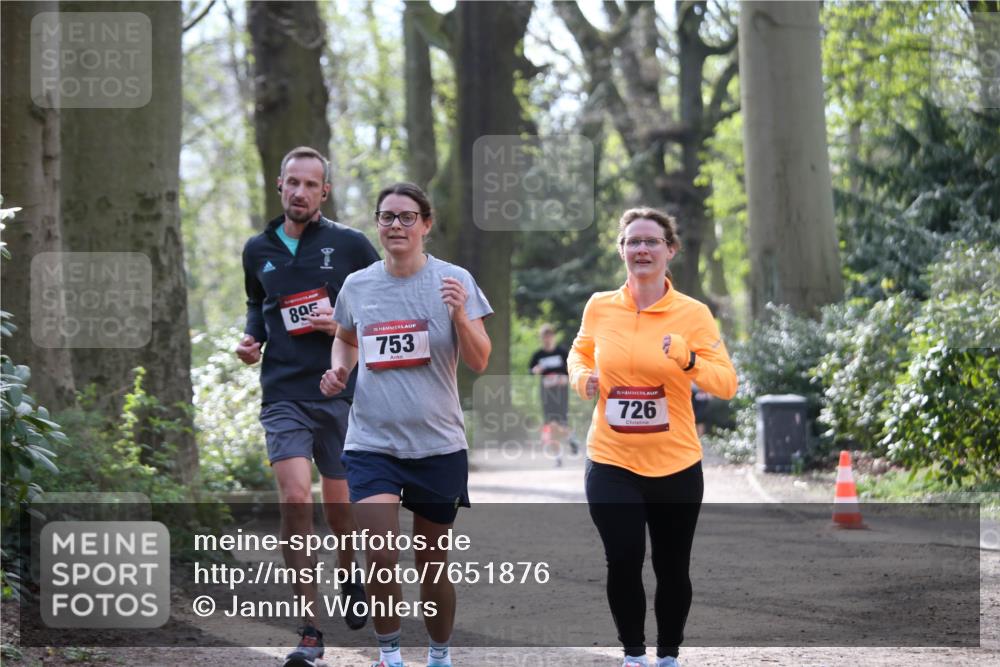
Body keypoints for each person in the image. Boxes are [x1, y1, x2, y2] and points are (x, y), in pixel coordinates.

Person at [320, 182, 492, 667]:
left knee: (432, 563)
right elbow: (346, 338)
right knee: (381, 553)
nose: (396, 225)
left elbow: (479, 359)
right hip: (372, 442)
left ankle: (439, 656)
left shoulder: (455, 280)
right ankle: (390, 654)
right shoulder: (358, 285)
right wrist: (339, 368)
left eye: (407, 217)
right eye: (387, 216)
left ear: (426, 224)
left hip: (438, 445)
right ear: (377, 224)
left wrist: (459, 313)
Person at [567, 207, 737, 667]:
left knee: (671, 566)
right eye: (633, 241)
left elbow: (726, 383)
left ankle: (668, 655)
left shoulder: (693, 313)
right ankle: (634, 655)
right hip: (611, 459)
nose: (642, 249)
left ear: (670, 250)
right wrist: (582, 377)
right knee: (622, 558)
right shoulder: (600, 305)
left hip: (676, 463)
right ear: (622, 250)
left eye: (652, 241)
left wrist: (688, 360)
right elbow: (579, 352)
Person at [236, 146, 380, 667]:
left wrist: (341, 326)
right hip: (283, 392)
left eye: (310, 184)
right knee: (296, 499)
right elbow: (258, 305)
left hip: (339, 391)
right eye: (291, 182)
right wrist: (250, 341)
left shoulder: (351, 245)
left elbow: (381, 303)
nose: (299, 192)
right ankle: (310, 632)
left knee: (341, 512)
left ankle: (349, 567)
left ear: (325, 191)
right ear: (280, 185)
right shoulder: (257, 249)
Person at [529, 323, 580, 466]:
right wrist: (535, 370)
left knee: (560, 425)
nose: (547, 339)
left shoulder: (562, 352)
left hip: (561, 395)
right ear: (541, 338)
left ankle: (571, 437)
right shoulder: (538, 355)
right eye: (544, 336)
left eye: (549, 336)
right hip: (546, 395)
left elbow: (573, 368)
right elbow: (530, 371)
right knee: (551, 425)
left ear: (553, 337)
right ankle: (558, 457)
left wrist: (565, 378)